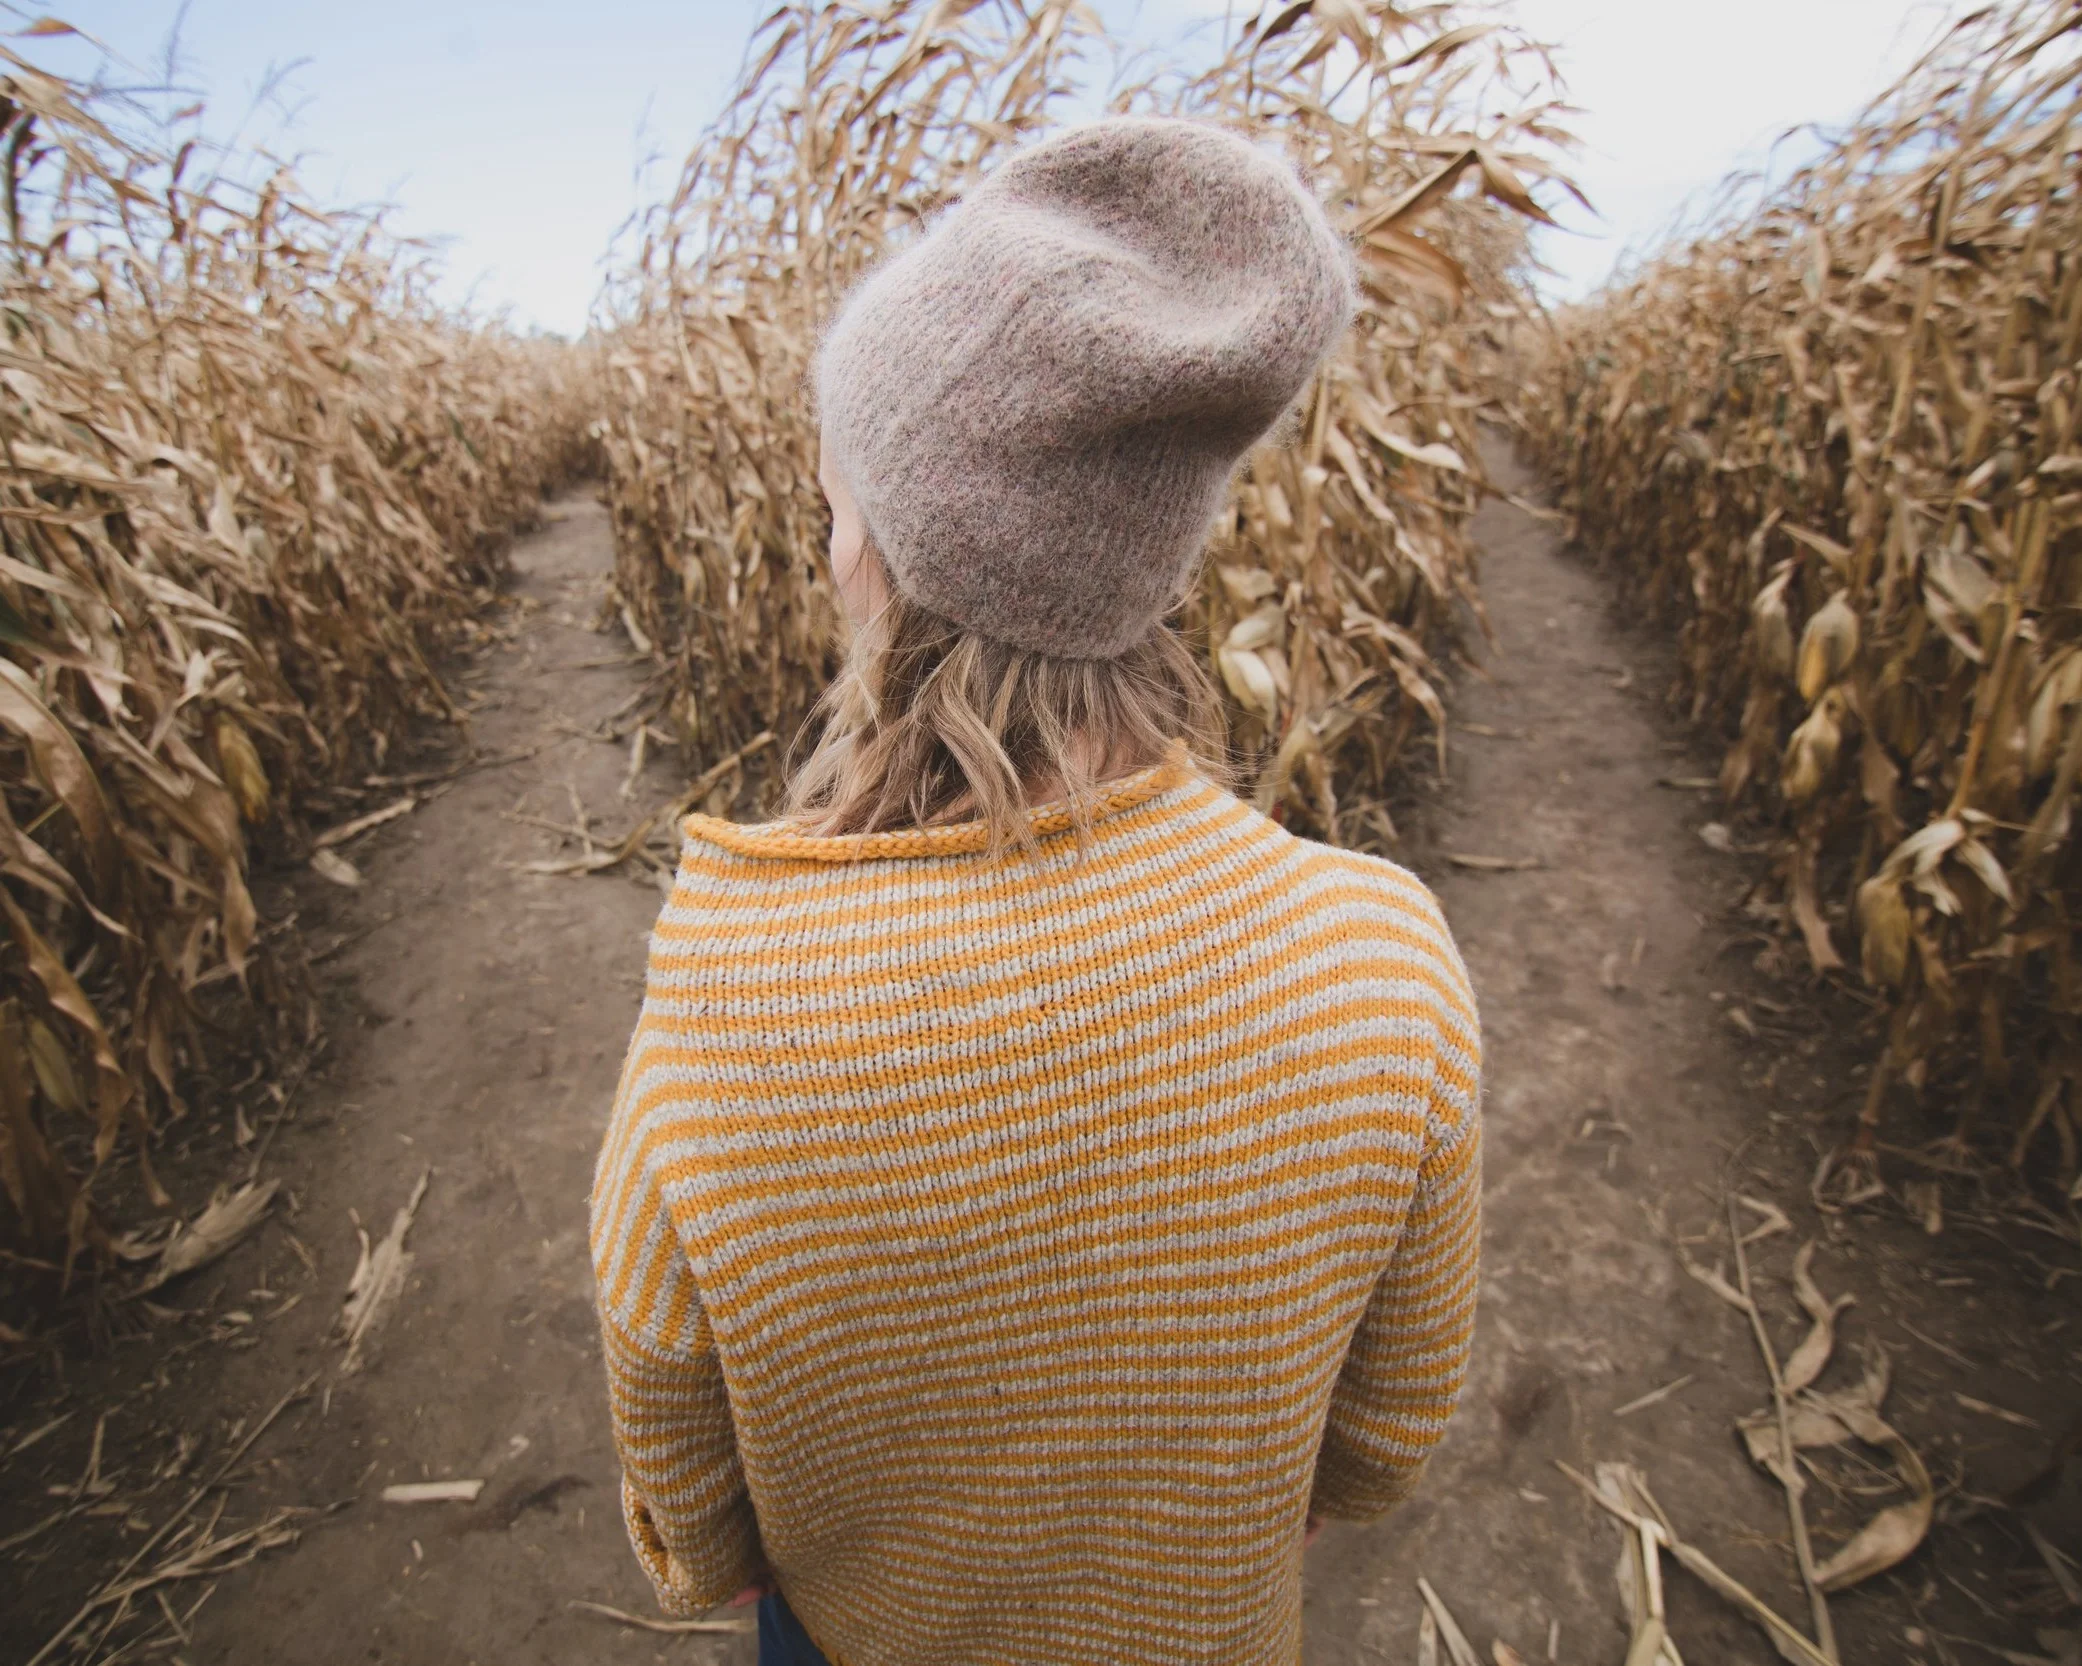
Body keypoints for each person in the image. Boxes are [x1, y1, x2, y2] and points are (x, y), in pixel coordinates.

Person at [588, 114, 1483, 1666]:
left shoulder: (729, 1018)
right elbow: (1385, 1439)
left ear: (885, 549)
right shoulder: (1382, 964)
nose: (823, 534)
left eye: (834, 495)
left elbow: (690, 1512)